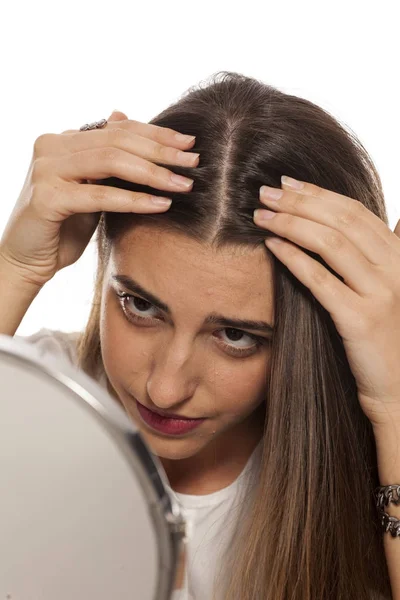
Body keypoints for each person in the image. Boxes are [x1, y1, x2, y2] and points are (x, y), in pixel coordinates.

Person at [0, 71, 393, 599]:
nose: (165, 388)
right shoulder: (34, 399)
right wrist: (15, 267)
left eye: (235, 335)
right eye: (139, 306)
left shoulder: (373, 465)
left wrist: (394, 405)